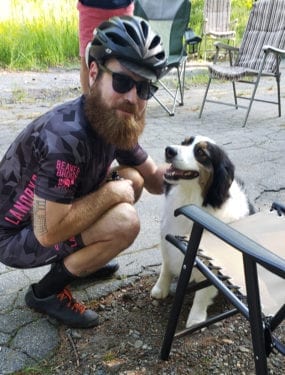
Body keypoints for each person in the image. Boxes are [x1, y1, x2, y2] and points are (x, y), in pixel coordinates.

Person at [0, 15, 167, 328]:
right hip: (15, 234)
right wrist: (110, 192)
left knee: (134, 178)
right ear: (94, 73)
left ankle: (81, 262)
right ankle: (46, 293)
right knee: (124, 221)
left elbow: (156, 180)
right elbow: (46, 231)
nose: (133, 98)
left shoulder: (113, 120)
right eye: (122, 82)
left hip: (51, 215)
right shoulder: (66, 137)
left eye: (145, 89)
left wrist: (196, 167)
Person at [77, 0, 134, 94]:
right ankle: (86, 104)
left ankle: (121, 102)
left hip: (123, 8)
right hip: (90, 8)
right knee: (87, 59)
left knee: (125, 61)